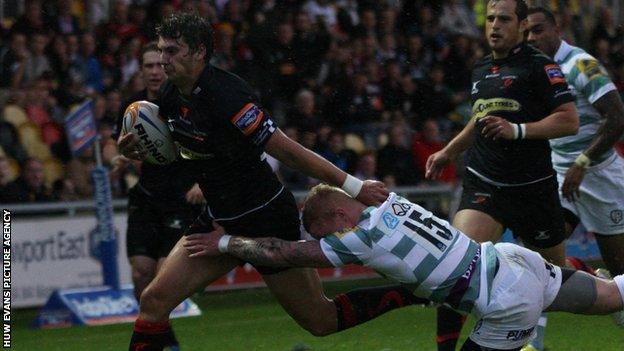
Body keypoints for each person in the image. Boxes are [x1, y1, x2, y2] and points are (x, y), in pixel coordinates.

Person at [120, 13, 417, 351]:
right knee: (154, 301)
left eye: (172, 51)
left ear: (199, 51)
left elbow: (288, 151)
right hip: (217, 221)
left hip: (265, 219)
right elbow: (177, 149)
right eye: (161, 51)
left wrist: (354, 185)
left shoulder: (229, 95)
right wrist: (135, 147)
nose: (163, 60)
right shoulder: (172, 96)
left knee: (321, 320)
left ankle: (413, 293)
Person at [183, 184, 624, 351]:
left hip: (504, 300)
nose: (320, 242)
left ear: (337, 218)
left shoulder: (361, 239)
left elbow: (282, 253)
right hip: (511, 259)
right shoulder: (388, 199)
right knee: (609, 296)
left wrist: (224, 241)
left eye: (320, 231)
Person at [425, 1, 579, 350]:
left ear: (522, 25)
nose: (495, 25)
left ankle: (603, 284)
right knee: (456, 267)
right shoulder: (482, 68)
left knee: (557, 280)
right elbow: (480, 118)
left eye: (504, 19)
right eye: (491, 19)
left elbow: (569, 120)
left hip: (532, 188)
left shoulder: (541, 66)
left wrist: (518, 131)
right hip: (485, 183)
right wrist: (449, 150)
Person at [526, 10, 624, 345]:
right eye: (527, 33)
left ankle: (604, 284)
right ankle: (532, 342)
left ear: (557, 28)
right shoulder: (536, 69)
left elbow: (617, 116)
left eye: (538, 31)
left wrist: (583, 161)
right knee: (538, 255)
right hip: (559, 176)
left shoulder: (581, 65)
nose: (532, 39)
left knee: (621, 273)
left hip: (600, 176)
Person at [113, 42, 205, 350]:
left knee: (163, 278)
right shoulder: (132, 109)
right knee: (141, 274)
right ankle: (167, 341)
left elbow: (208, 149)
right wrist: (120, 159)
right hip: (145, 198)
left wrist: (201, 183)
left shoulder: (184, 104)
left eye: (158, 65)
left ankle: (166, 343)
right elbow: (121, 150)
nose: (154, 71)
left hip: (180, 200)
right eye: (148, 66)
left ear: (167, 67)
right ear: (141, 70)